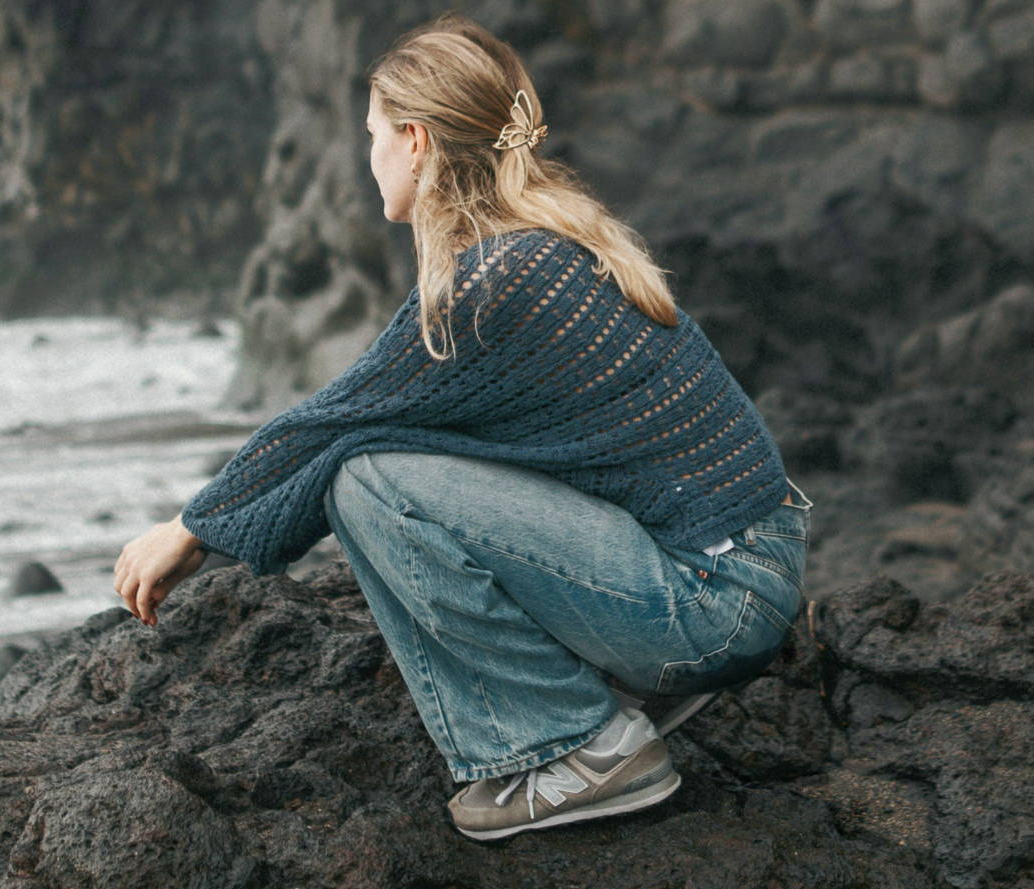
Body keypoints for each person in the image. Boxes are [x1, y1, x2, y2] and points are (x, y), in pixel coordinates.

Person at [112, 13, 810, 840]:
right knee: (386, 456)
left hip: (713, 602)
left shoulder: (496, 284)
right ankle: (619, 688)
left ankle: (576, 749)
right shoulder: (548, 239)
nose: (364, 153)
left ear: (414, 140)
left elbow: (333, 425)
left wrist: (189, 530)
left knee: (367, 478)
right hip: (743, 573)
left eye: (370, 133)